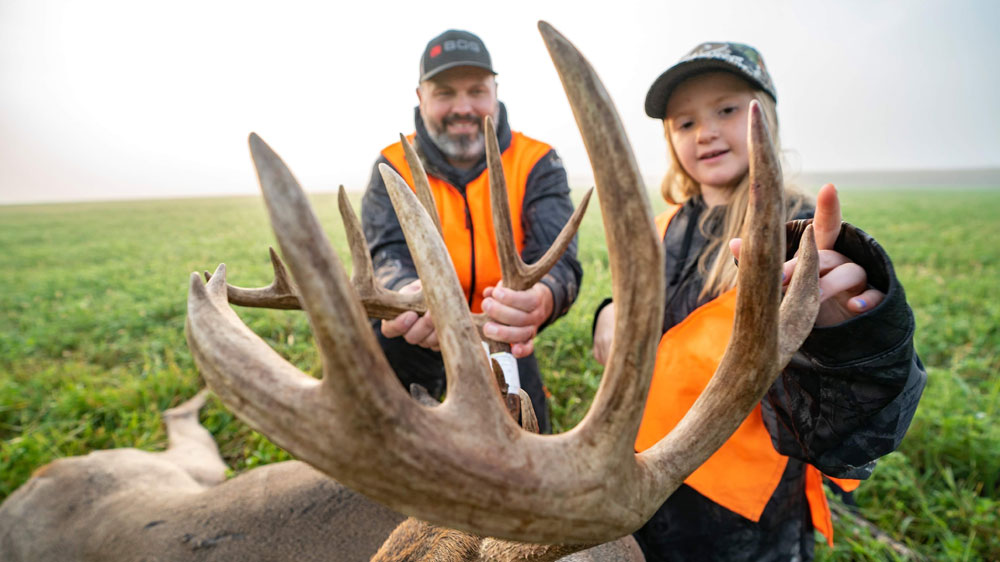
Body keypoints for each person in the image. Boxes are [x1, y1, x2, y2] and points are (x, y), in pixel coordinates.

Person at [591, 42, 926, 560]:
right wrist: (610, 312)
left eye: (727, 110)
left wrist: (844, 340)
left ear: (765, 118)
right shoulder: (661, 229)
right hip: (646, 484)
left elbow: (855, 422)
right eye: (684, 122)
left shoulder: (803, 240)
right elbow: (646, 316)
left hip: (743, 515)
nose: (705, 131)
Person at [361, 29, 582, 433]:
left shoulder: (537, 162)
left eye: (476, 91)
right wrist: (406, 292)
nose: (463, 107)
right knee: (394, 444)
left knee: (531, 447)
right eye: (445, 92)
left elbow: (559, 259)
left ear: (495, 91)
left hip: (501, 337)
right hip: (417, 336)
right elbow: (387, 255)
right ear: (421, 95)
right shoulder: (392, 165)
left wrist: (542, 296)